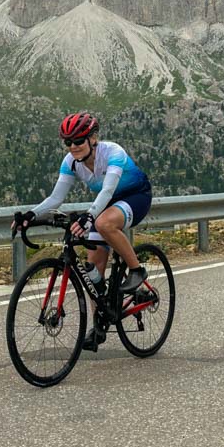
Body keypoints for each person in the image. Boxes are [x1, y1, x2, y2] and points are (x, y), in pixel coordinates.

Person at [15, 112, 153, 351]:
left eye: (78, 140)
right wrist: (31, 214)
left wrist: (90, 216)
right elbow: (56, 198)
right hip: (105, 205)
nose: (73, 147)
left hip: (135, 197)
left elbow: (108, 191)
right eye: (67, 142)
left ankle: (136, 270)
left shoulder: (113, 153)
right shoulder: (70, 162)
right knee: (92, 271)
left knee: (103, 224)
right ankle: (100, 322)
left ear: (93, 138)